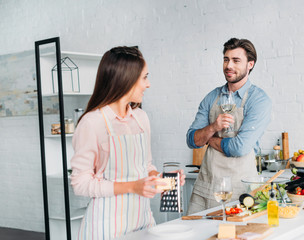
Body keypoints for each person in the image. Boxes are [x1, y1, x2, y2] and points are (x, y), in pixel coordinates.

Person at [70, 46, 185, 239]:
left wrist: (160, 179)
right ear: (126, 80)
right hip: (106, 226)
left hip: (142, 221)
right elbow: (80, 184)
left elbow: (145, 166)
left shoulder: (141, 118)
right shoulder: (92, 123)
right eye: (144, 77)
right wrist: (132, 187)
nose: (148, 84)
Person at [186, 38, 272, 214]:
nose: (228, 65)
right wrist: (212, 127)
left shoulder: (259, 100)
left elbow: (239, 147)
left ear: (250, 64)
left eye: (236, 60)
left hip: (241, 190)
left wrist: (209, 140)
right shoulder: (211, 97)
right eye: (226, 59)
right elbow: (192, 139)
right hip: (206, 187)